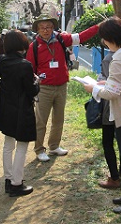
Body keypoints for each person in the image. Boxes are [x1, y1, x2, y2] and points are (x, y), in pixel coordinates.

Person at [82, 16, 121, 214]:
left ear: (109, 38)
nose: (103, 42)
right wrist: (103, 84)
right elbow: (120, 85)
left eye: (104, 38)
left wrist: (93, 88)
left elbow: (112, 93)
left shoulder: (118, 60)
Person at [27, 13, 99, 162]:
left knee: (58, 119)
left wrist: (98, 27)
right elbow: (30, 69)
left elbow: (81, 37)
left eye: (48, 27)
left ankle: (54, 146)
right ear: (38, 30)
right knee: (41, 121)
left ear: (53, 27)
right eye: (42, 28)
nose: (46, 30)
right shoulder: (33, 46)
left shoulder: (61, 39)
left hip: (61, 86)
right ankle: (39, 149)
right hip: (44, 88)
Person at [0, 30, 39, 197]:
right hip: (22, 109)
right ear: (21, 45)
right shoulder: (25, 65)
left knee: (8, 144)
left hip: (6, 107)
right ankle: (17, 183)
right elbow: (30, 90)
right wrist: (37, 82)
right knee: (22, 145)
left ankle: (9, 180)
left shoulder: (1, 61)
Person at [97, 51, 121, 189]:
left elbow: (108, 85)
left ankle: (114, 177)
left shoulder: (110, 58)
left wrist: (95, 87)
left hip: (110, 106)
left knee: (108, 141)